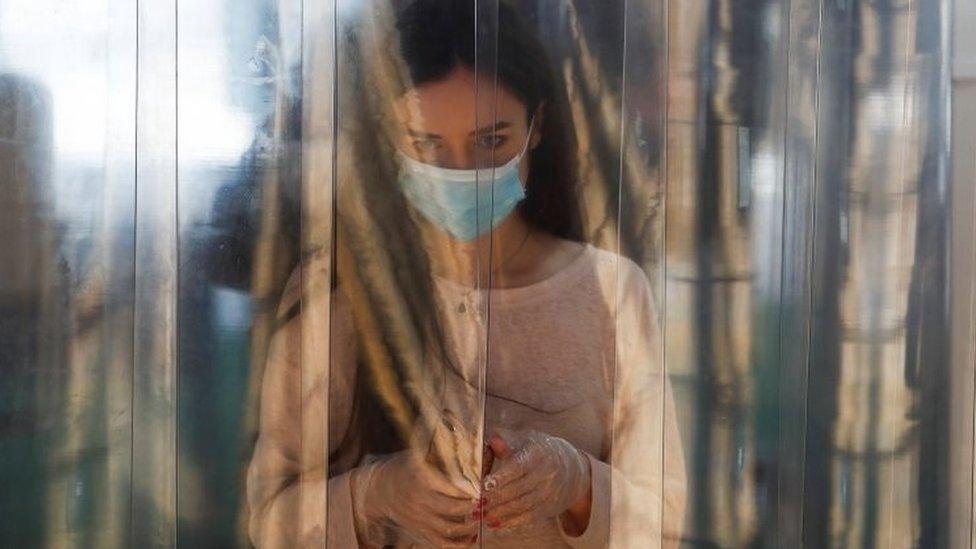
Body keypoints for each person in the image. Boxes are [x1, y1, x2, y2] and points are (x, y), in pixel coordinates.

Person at [246, 1, 686, 547]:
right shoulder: (339, 296)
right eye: (427, 144)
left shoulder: (610, 292)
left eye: (491, 141)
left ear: (538, 127)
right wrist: (376, 493)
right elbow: (271, 520)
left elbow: (664, 523)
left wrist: (576, 483)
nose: (462, 173)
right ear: (389, 143)